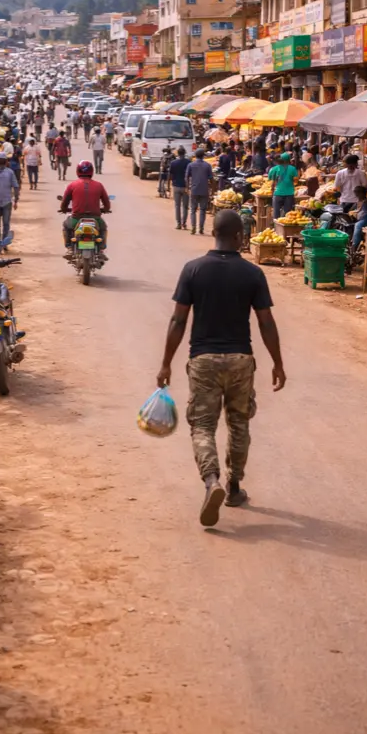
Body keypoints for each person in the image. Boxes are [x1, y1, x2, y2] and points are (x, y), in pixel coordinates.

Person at [157, 209, 286, 527]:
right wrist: (278, 363)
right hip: (241, 360)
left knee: (202, 427)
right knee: (239, 425)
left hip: (203, 361)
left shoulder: (193, 270)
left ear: (213, 233)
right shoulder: (253, 274)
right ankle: (234, 487)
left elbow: (178, 320)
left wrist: (166, 363)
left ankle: (211, 480)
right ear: (240, 236)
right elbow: (265, 321)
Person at [60, 160, 110, 256]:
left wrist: (64, 209)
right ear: (92, 171)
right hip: (95, 218)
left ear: (78, 171)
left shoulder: (72, 185)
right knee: (103, 228)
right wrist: (105, 209)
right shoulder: (99, 185)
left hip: (76, 218)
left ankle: (69, 247)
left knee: (66, 226)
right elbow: (107, 203)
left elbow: (64, 202)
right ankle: (101, 249)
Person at [186, 148, 214, 236]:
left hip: (194, 189)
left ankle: (193, 228)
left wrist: (187, 188)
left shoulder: (191, 165)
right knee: (202, 210)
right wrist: (213, 189)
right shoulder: (207, 165)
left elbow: (186, 177)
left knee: (193, 210)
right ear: (203, 156)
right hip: (204, 190)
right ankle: (201, 228)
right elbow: (211, 179)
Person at [268, 151, 298, 219]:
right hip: (289, 193)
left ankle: (276, 228)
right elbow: (296, 180)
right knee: (288, 215)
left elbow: (272, 182)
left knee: (276, 214)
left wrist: (272, 191)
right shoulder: (293, 168)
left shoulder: (274, 169)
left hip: (278, 193)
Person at [170, 146, 190, 230]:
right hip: (185, 187)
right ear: (185, 153)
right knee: (185, 206)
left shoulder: (173, 163)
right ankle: (184, 223)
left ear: (177, 154)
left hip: (176, 186)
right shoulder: (188, 162)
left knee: (177, 206)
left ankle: (178, 224)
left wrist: (169, 184)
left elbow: (171, 175)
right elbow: (190, 175)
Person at [351, 185, 367, 251]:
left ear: (363, 193)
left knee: (357, 225)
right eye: (356, 193)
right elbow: (351, 209)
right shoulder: (358, 201)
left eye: (358, 193)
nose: (357, 195)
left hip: (365, 219)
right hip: (359, 218)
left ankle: (355, 245)